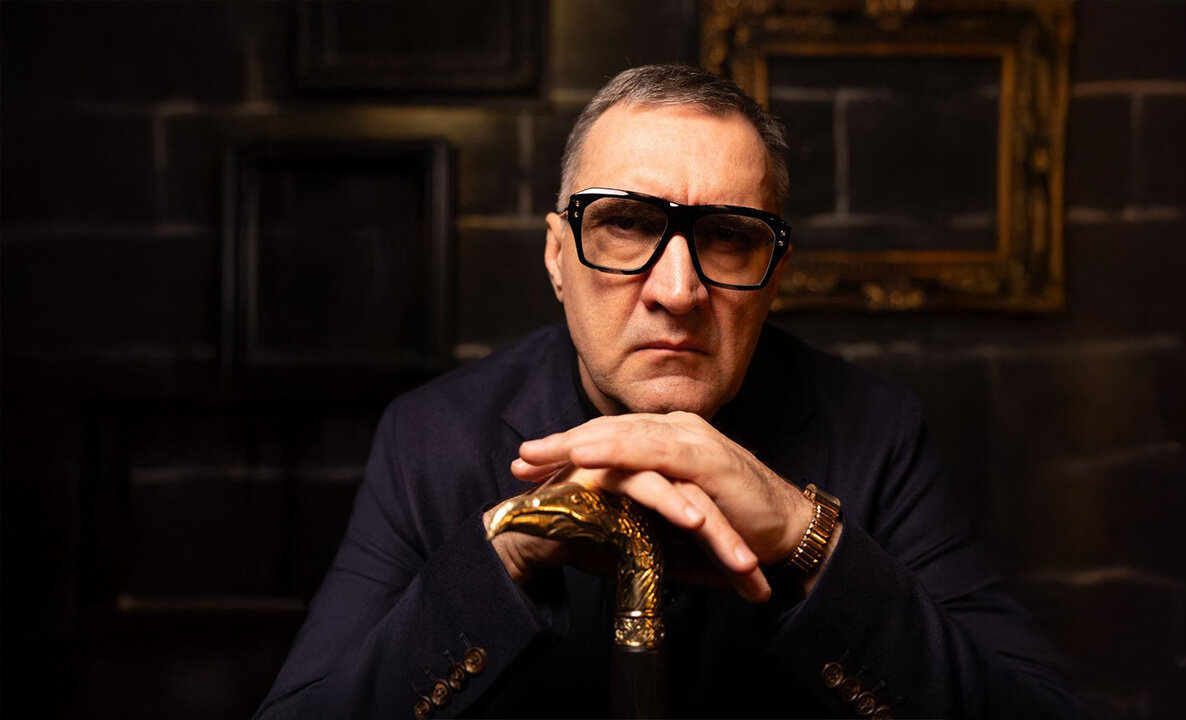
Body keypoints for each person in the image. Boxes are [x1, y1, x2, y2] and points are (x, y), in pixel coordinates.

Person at [254, 64, 1082, 719]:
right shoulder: (431, 436)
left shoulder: (877, 432)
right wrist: (508, 552)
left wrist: (806, 537)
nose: (678, 291)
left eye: (727, 237)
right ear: (556, 257)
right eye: (627, 224)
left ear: (774, 277)